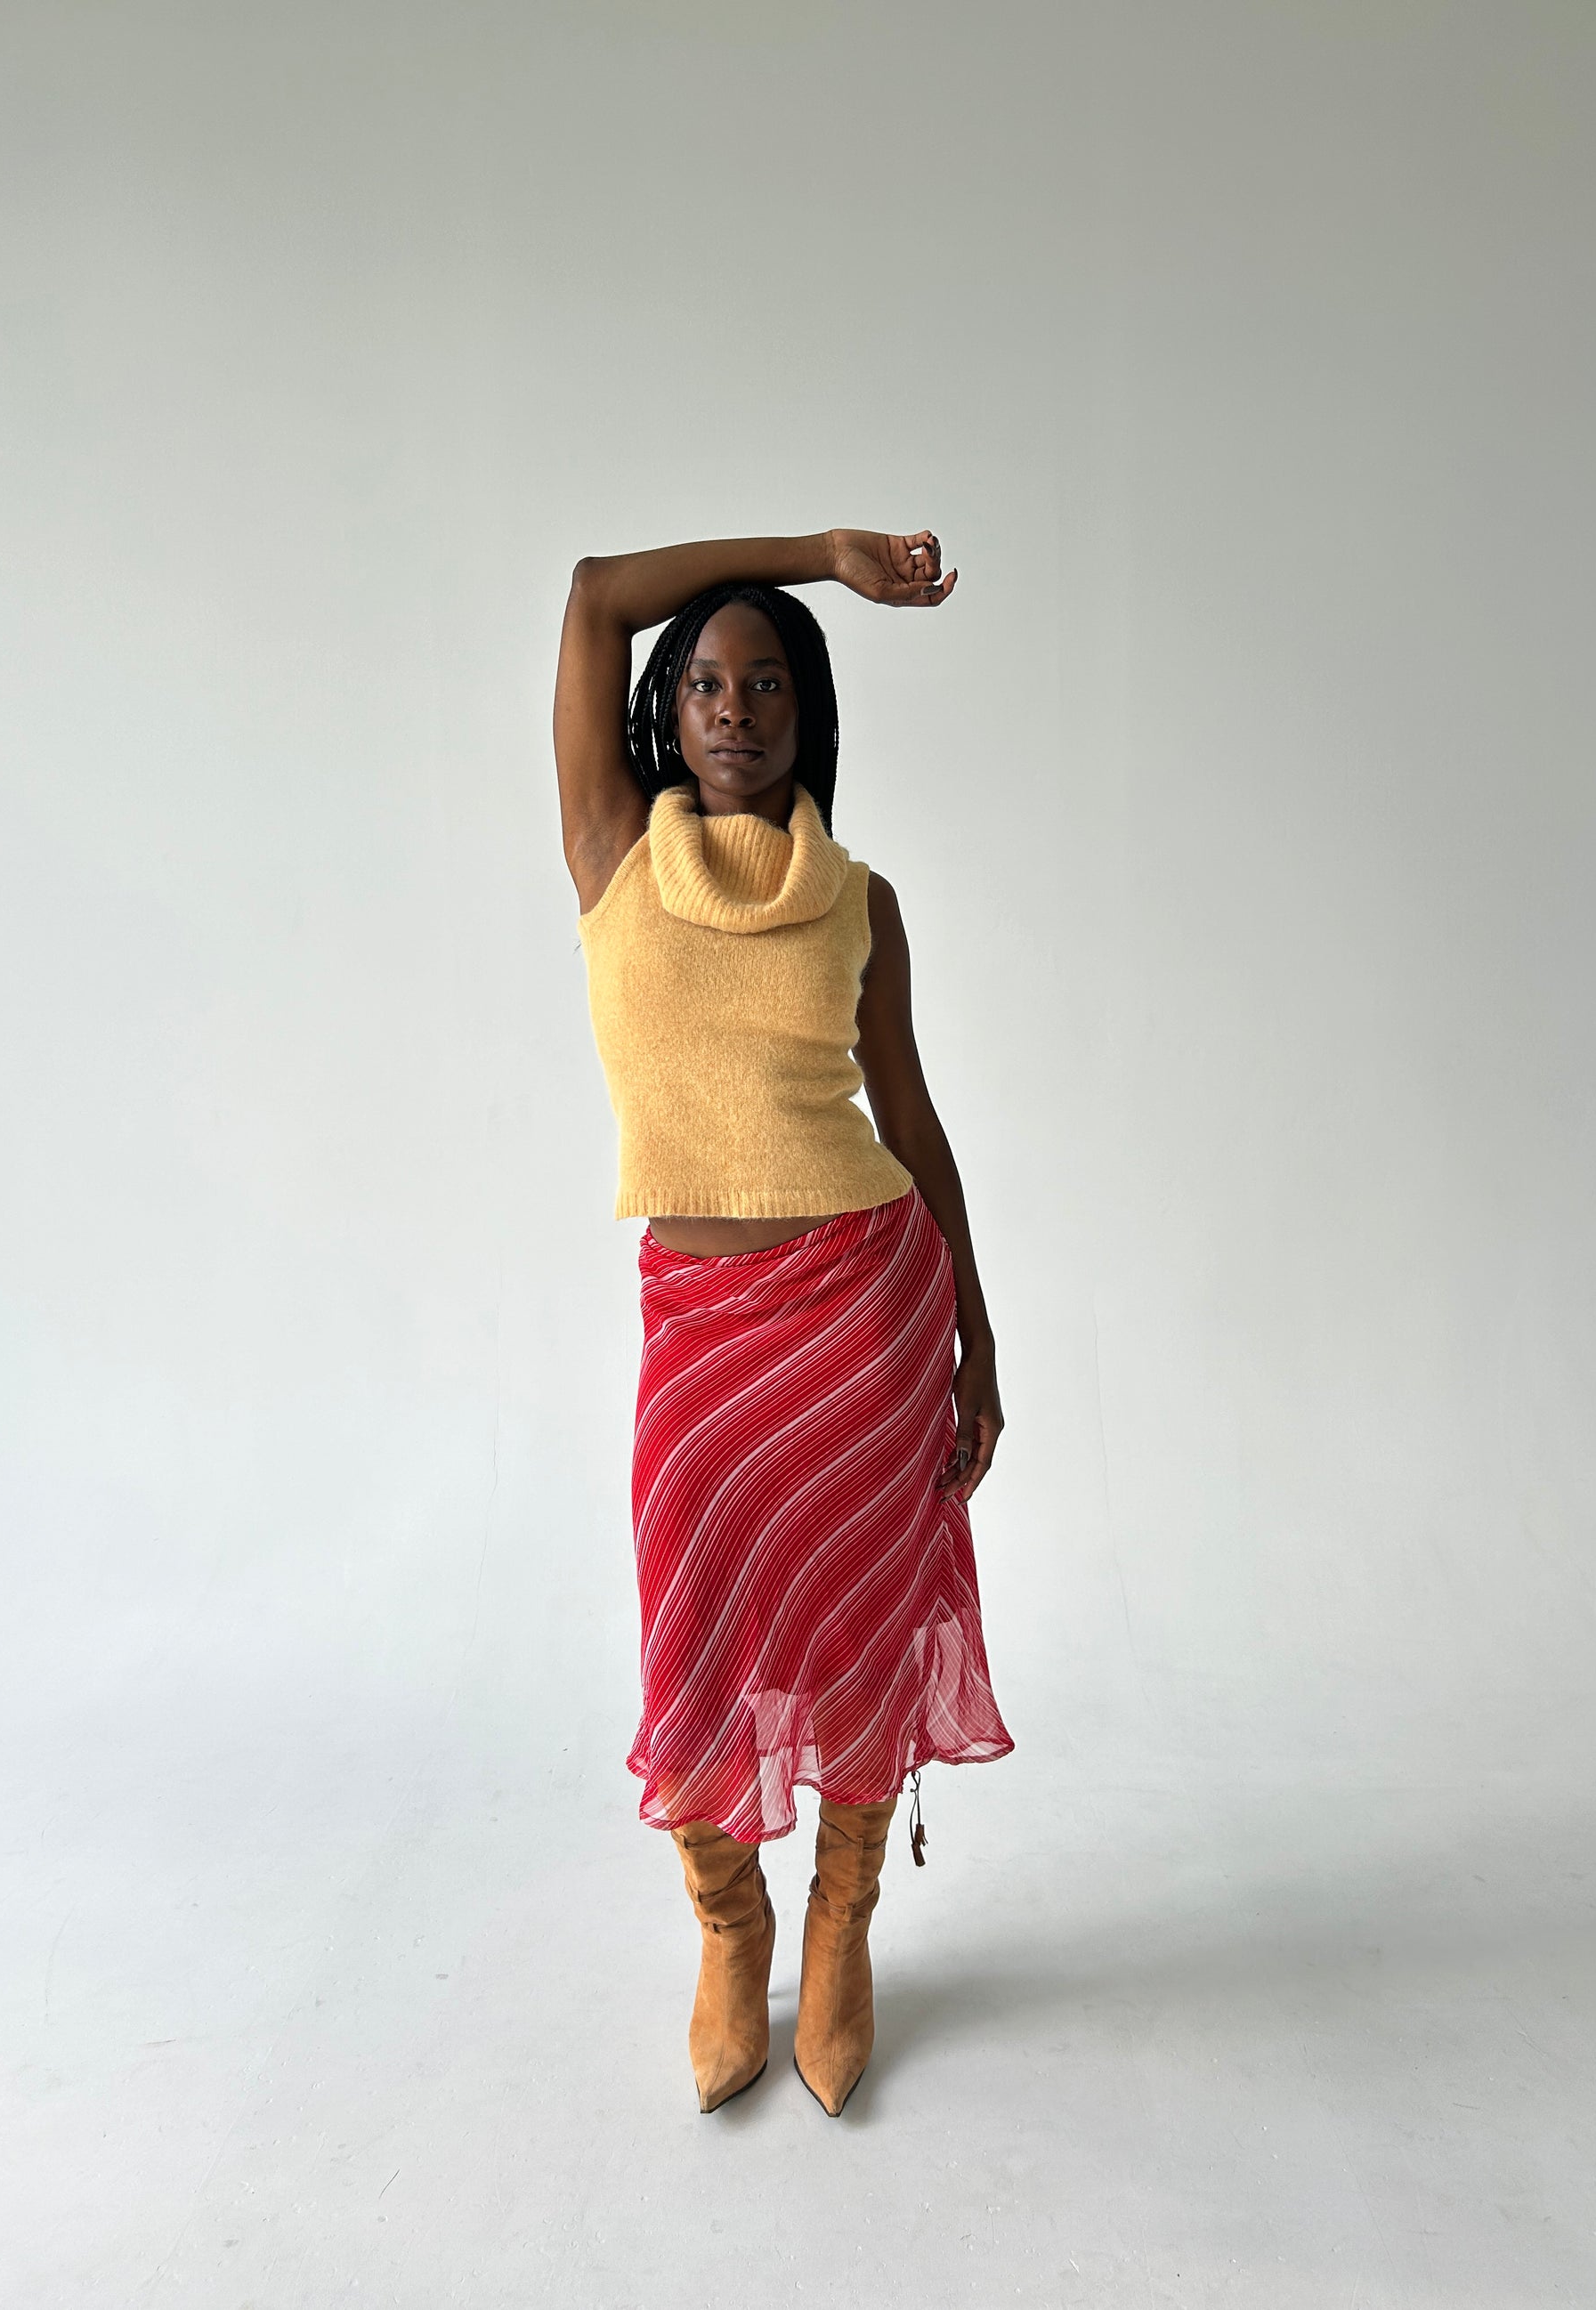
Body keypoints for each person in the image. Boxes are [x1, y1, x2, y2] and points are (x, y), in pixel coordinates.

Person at [553, 528, 1014, 2116]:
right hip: (700, 1324)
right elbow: (595, 593)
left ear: (803, 715)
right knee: (692, 1633)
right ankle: (727, 1926)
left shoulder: (859, 900)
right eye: (703, 684)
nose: (732, 708)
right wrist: (823, 556)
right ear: (664, 711)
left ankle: (840, 1923)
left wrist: (977, 1338)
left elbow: (913, 1117)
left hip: (865, 1311)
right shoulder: (612, 853)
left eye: (764, 686)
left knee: (858, 1629)